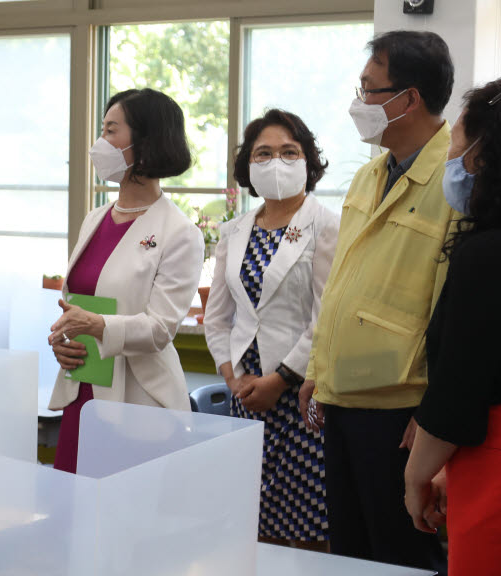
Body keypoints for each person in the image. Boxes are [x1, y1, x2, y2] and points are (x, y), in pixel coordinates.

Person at [297, 30, 454, 572]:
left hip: (400, 408)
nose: (357, 102)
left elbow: (452, 307)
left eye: (368, 88)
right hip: (343, 397)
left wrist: (433, 412)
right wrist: (319, 368)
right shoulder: (369, 174)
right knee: (351, 552)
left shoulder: (456, 178)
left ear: (407, 98)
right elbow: (343, 281)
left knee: (400, 554)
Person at [404, 76, 501, 576]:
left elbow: (460, 384)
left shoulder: (491, 253)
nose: (449, 154)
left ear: (484, 154)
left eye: (456, 137)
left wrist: (418, 475)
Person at [46, 88, 204, 473]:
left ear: (145, 141)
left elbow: (160, 329)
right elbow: (80, 303)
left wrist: (96, 325)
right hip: (82, 388)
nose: (100, 143)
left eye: (111, 130)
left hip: (138, 403)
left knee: (124, 521)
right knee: (73, 514)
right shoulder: (95, 219)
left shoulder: (179, 232)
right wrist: (64, 341)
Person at [204, 109, 339, 545]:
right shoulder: (234, 230)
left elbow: (327, 314)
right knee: (250, 523)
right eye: (263, 153)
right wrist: (233, 377)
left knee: (305, 526)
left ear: (308, 161)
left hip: (300, 392)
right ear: (247, 166)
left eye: (288, 152)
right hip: (247, 395)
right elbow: (218, 317)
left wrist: (280, 380)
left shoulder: (325, 224)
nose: (275, 161)